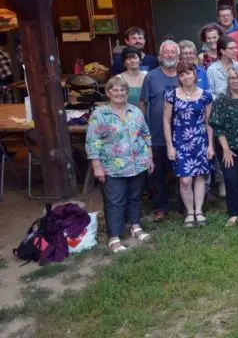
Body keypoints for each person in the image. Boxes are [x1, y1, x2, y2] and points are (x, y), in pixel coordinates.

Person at [86, 77, 154, 253]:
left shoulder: (135, 111)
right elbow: (93, 142)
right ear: (108, 92)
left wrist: (150, 157)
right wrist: (96, 166)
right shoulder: (99, 115)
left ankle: (135, 226)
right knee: (115, 201)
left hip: (137, 164)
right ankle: (114, 237)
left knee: (135, 197)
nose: (119, 93)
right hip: (112, 168)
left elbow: (146, 134)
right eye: (114, 90)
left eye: (123, 90)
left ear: (127, 92)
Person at [163, 62, 214, 228]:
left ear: (195, 74)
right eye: (182, 74)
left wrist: (210, 145)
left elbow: (209, 123)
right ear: (179, 77)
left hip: (200, 142)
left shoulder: (206, 96)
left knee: (199, 177)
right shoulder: (171, 95)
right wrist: (170, 145)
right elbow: (166, 121)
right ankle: (189, 212)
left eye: (188, 73)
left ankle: (198, 211)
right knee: (185, 180)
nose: (186, 77)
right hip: (180, 143)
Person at [208, 65, 238, 226]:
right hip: (228, 146)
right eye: (231, 78)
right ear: (227, 81)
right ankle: (234, 212)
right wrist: (226, 150)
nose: (235, 80)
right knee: (231, 178)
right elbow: (217, 125)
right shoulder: (222, 99)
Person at [138, 40, 180, 222]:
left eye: (173, 52)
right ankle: (159, 207)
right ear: (160, 56)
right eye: (166, 52)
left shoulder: (185, 75)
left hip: (181, 134)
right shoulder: (151, 77)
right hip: (156, 134)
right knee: (158, 174)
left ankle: (182, 204)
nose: (170, 55)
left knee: (181, 172)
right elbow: (143, 103)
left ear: (178, 56)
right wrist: (142, 126)